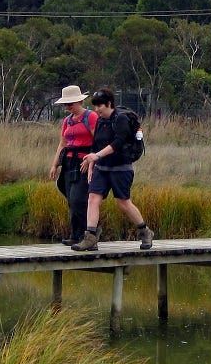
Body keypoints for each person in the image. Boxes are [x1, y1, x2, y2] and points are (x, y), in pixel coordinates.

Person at [72, 89, 155, 252]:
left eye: (99, 106)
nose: (97, 110)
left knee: (123, 202)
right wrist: (91, 165)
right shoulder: (101, 121)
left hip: (120, 168)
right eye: (94, 106)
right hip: (102, 168)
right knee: (93, 198)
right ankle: (90, 237)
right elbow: (96, 144)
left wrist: (96, 156)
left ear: (109, 104)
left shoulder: (121, 119)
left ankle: (145, 231)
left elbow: (117, 143)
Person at [49, 85, 96, 245]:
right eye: (66, 104)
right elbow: (62, 143)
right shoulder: (67, 121)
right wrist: (55, 165)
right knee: (70, 198)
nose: (68, 107)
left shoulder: (90, 117)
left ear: (80, 101)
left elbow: (97, 141)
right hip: (69, 162)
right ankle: (76, 235)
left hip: (84, 161)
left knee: (78, 199)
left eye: (71, 103)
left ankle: (88, 233)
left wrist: (91, 161)